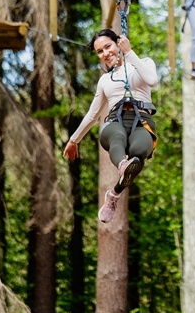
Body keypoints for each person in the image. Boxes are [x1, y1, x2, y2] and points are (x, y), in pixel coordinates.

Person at [63, 28, 158, 223]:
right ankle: (122, 165)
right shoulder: (105, 80)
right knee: (118, 137)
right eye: (100, 51)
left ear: (118, 43)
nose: (105, 53)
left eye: (108, 47)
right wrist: (74, 140)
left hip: (142, 121)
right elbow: (92, 114)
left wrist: (130, 53)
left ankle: (113, 195)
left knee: (139, 152)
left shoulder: (144, 63)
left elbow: (153, 81)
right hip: (114, 122)